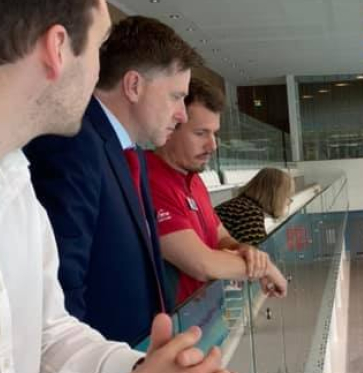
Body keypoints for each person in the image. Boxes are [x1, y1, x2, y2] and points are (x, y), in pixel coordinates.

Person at [0, 0, 238, 373]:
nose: (99, 73)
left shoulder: (14, 178)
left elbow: (48, 332)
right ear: (56, 50)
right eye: (96, 49)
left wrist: (147, 372)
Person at [24, 16, 267, 346]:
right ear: (134, 86)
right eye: (176, 96)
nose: (181, 113)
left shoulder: (130, 153)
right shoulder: (73, 144)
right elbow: (62, 294)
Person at [148, 78, 287, 305]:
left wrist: (242, 249)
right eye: (201, 133)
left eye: (215, 134)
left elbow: (220, 236)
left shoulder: (195, 182)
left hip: (204, 317)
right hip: (172, 328)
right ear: (171, 127)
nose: (213, 145)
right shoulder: (150, 181)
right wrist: (265, 267)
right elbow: (202, 264)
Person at [215, 167, 295, 246]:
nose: (289, 201)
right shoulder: (249, 213)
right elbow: (256, 256)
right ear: (275, 196)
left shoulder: (242, 205)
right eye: (287, 196)